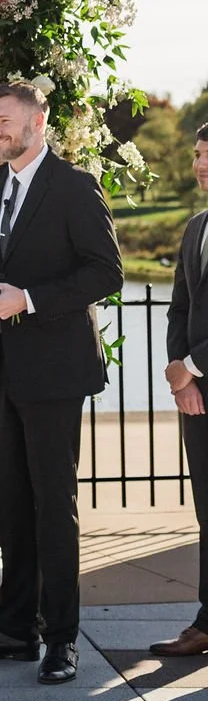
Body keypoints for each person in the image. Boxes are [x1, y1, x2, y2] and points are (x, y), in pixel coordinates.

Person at [0, 82, 123, 684]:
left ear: (38, 122)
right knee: (11, 506)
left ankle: (62, 639)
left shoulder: (74, 186)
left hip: (54, 371)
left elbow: (106, 273)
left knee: (53, 506)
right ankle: (15, 629)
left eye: (3, 120)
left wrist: (32, 300)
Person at [151, 123, 208, 658]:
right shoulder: (196, 228)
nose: (200, 165)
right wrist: (178, 369)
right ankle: (207, 619)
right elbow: (180, 307)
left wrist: (192, 366)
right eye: (197, 155)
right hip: (196, 394)